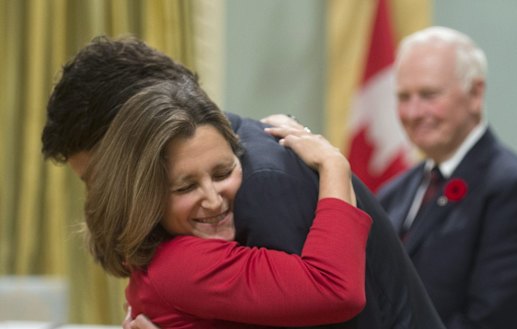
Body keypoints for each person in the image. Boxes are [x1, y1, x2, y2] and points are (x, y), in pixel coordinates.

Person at [42, 36, 444, 328]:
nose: (214, 199)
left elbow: (332, 293)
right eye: (186, 186)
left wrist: (335, 164)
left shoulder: (261, 186)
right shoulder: (230, 156)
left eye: (99, 176)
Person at [84, 79, 372, 328]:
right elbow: (335, 288)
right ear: (144, 199)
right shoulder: (182, 265)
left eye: (223, 173)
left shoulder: (160, 259)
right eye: (186, 187)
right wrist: (332, 163)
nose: (213, 200)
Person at [376, 26, 517, 329]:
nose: (413, 112)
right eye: (403, 97)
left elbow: (496, 321)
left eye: (429, 94)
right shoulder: (393, 193)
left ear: (475, 94)